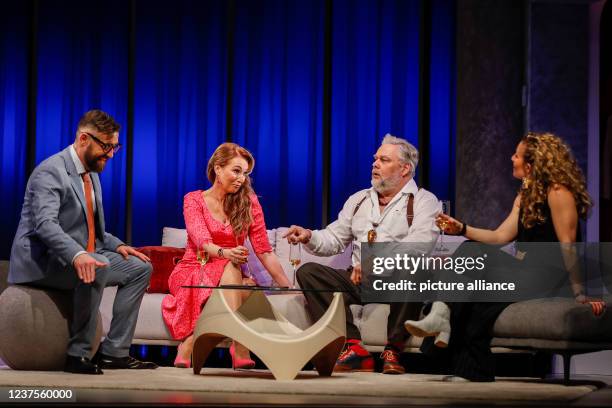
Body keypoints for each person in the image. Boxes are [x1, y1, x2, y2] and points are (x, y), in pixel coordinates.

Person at [404, 132, 606, 382]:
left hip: (550, 279)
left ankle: (441, 315)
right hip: (526, 271)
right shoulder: (524, 197)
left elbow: (568, 245)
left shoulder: (558, 191)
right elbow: (500, 236)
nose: (511, 158)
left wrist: (580, 293)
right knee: (471, 267)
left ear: (530, 164)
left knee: (472, 257)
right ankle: (469, 366)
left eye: (517, 155)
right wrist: (462, 228)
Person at [9, 109, 157, 375]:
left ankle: (115, 352)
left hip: (82, 255)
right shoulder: (50, 172)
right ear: (83, 139)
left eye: (115, 146)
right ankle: (77, 355)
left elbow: (93, 230)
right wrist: (78, 255)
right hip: (43, 262)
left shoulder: (91, 174)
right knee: (96, 263)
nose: (112, 154)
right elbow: (46, 226)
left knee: (139, 268)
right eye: (107, 146)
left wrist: (117, 245)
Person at [284, 134, 440, 375]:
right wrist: (308, 236)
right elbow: (334, 239)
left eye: (384, 160)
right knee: (309, 272)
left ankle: (393, 350)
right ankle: (353, 346)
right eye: (375, 159)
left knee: (415, 268)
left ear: (405, 168)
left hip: (398, 281)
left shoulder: (423, 200)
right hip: (359, 280)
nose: (375, 164)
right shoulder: (359, 200)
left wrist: (375, 261)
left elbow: (419, 245)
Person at [162, 142, 291, 368]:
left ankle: (190, 343)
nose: (242, 178)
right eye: (236, 171)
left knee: (241, 280)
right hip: (193, 270)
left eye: (246, 173)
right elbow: (202, 241)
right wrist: (226, 253)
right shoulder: (193, 200)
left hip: (229, 274)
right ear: (218, 168)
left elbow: (263, 250)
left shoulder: (248, 201)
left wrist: (288, 288)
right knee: (238, 276)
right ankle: (239, 345)